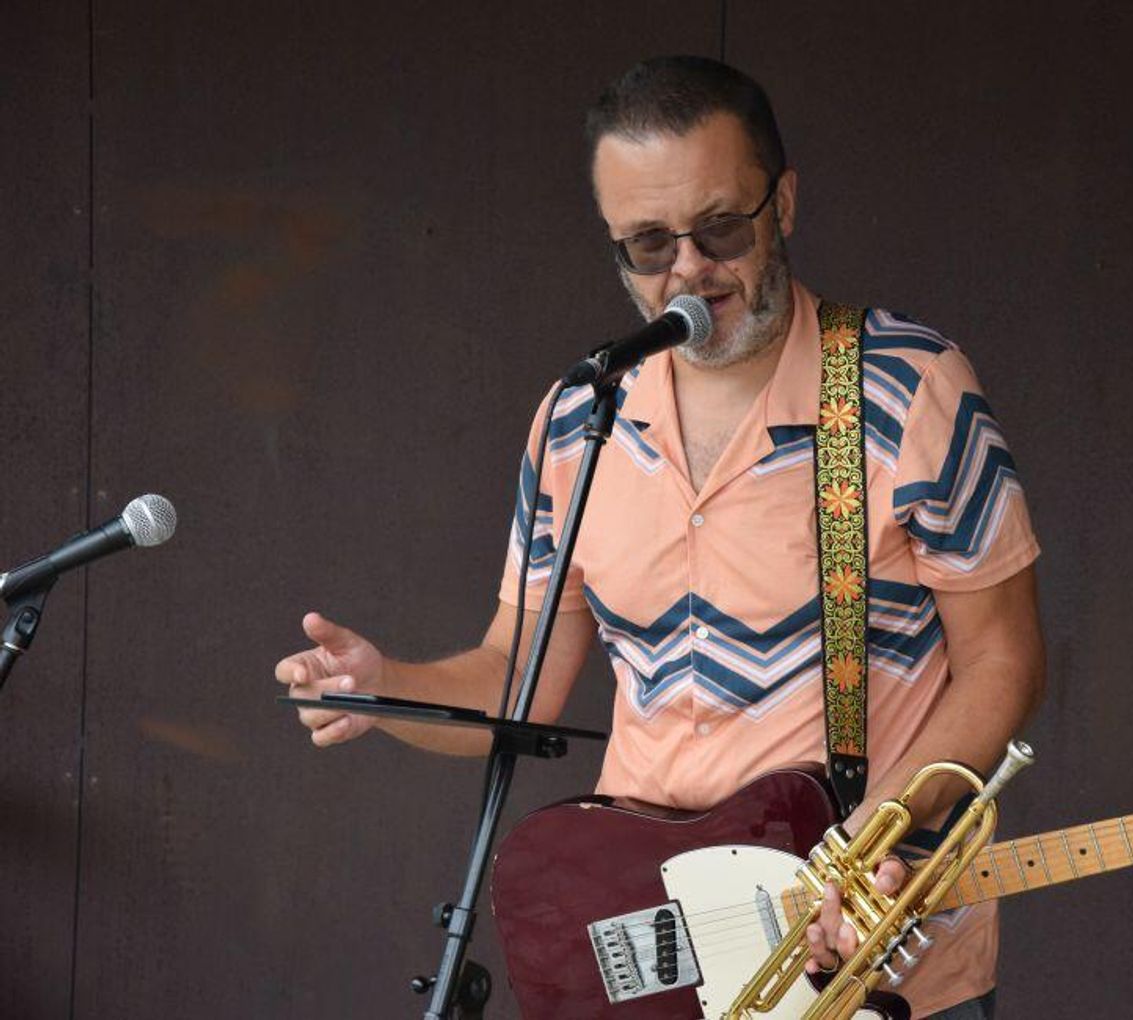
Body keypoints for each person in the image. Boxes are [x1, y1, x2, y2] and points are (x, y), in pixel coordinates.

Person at [276, 55, 1045, 1020]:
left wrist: (874, 840)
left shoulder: (907, 391)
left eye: (719, 227)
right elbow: (515, 680)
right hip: (658, 949)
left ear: (783, 204)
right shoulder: (578, 421)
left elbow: (1004, 662)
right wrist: (383, 687)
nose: (688, 268)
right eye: (648, 244)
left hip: (867, 959)